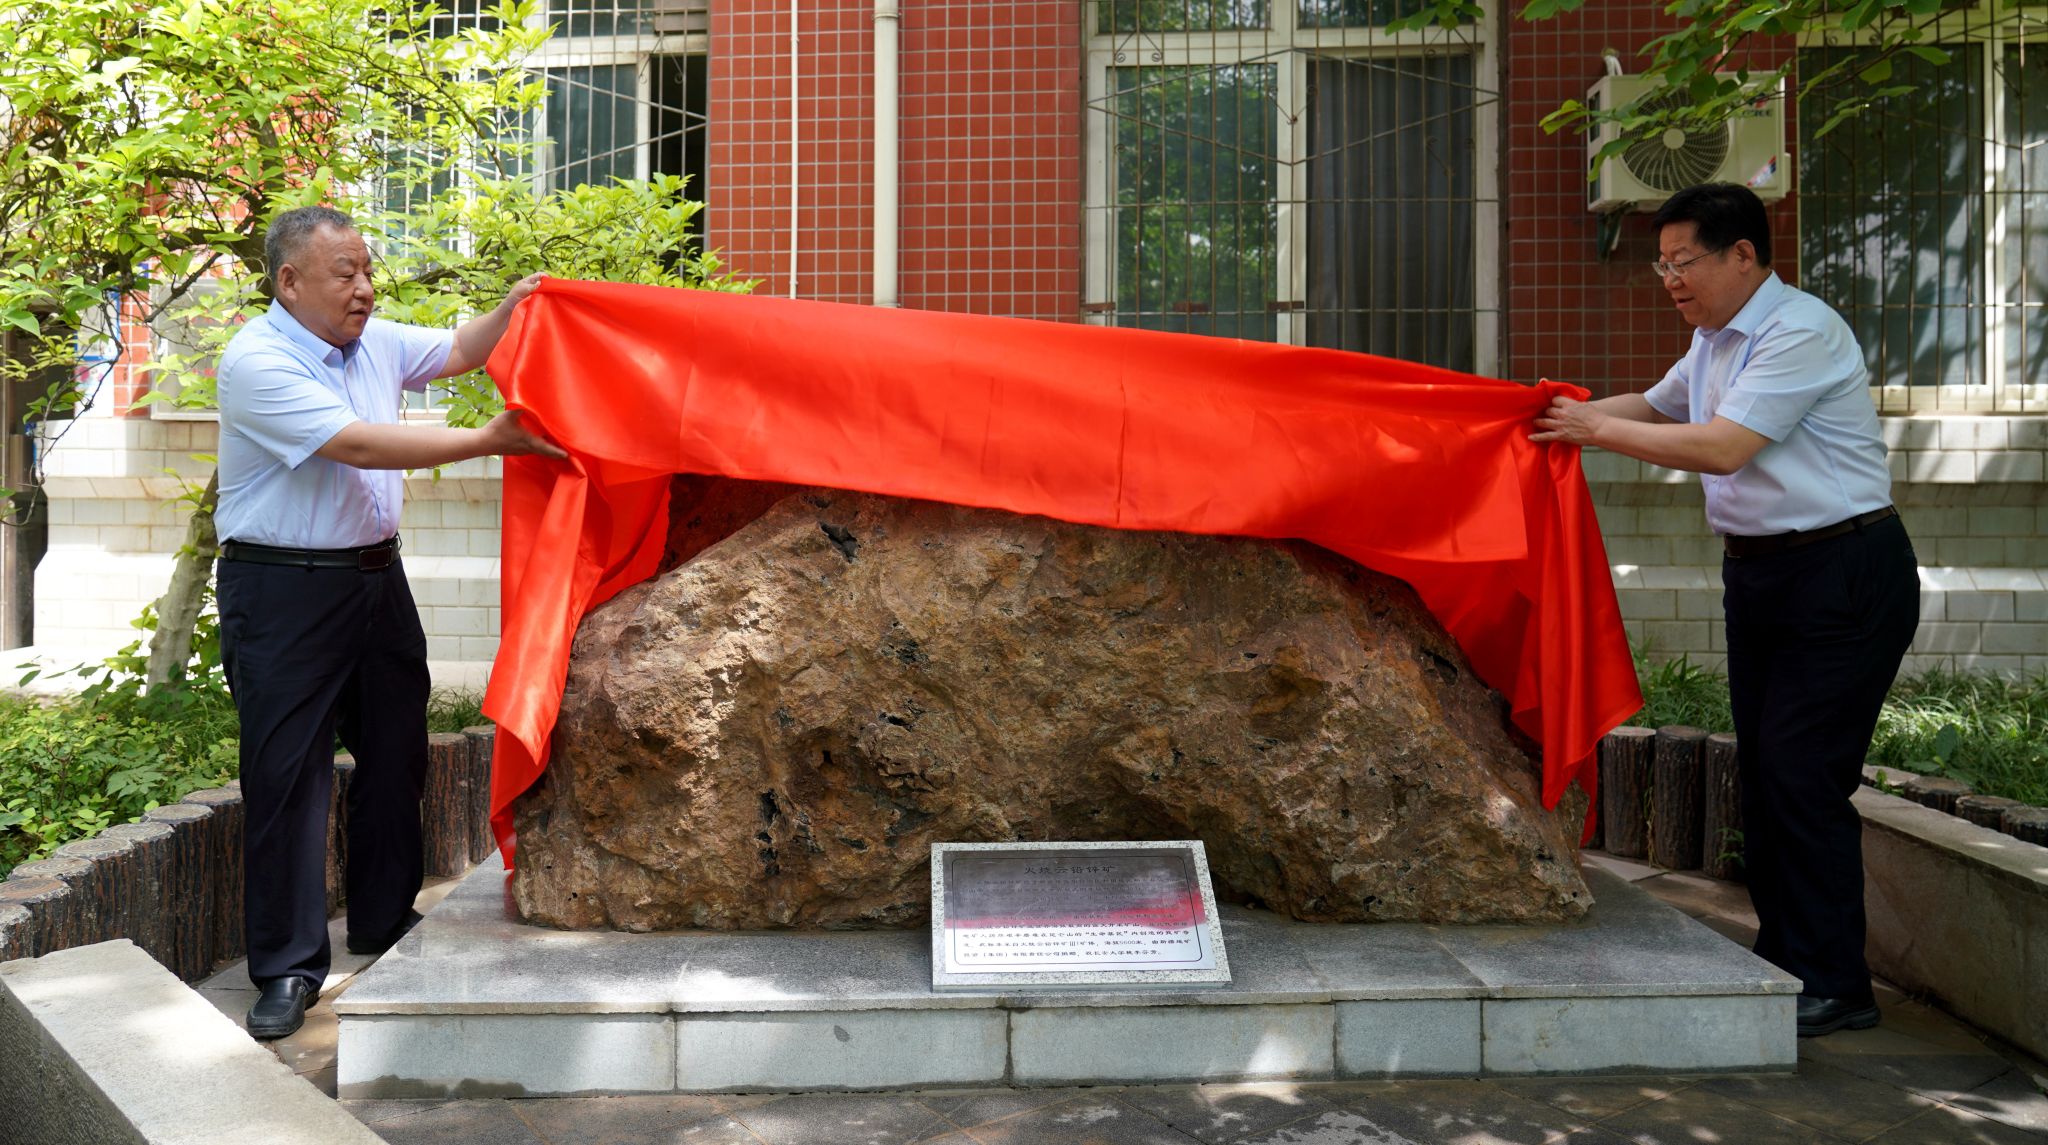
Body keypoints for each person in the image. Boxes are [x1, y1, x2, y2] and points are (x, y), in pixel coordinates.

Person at [1531, 182, 1918, 1038]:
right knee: (1767, 773)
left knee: (1804, 774)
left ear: (1743, 254)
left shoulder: (1800, 330)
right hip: (1763, 576)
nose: (1671, 279)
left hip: (1842, 570)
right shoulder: (1712, 339)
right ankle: (1788, 959)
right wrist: (1551, 419)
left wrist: (1591, 432)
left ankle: (1835, 981)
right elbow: (1656, 405)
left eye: (1685, 261)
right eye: (1662, 264)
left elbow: (1724, 445)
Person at [214, 205, 566, 1039]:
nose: (365, 288)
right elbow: (360, 444)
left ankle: (381, 917)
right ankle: (288, 966)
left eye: (368, 271)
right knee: (288, 778)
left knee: (396, 753)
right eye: (346, 274)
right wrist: (489, 439)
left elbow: (458, 347)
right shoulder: (256, 360)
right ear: (289, 281)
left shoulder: (371, 341)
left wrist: (515, 307)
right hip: (284, 589)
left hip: (377, 579)